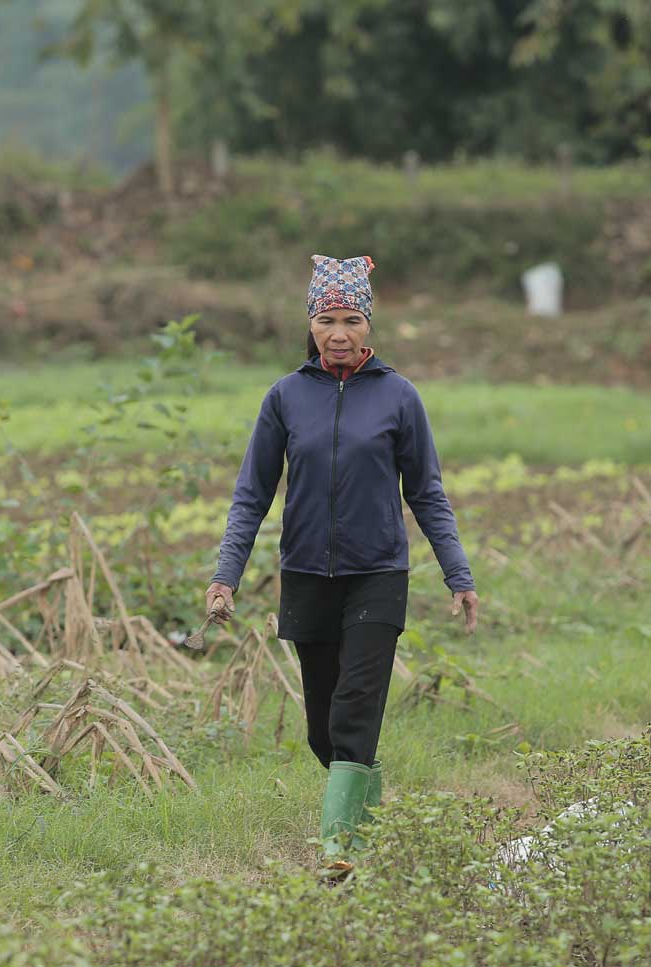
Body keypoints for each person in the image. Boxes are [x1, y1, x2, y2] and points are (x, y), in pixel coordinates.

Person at [204, 253, 480, 875]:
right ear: (310, 325)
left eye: (351, 319)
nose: (339, 332)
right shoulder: (284, 398)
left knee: (357, 707)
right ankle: (373, 820)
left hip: (378, 573)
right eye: (327, 319)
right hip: (306, 575)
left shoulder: (399, 397)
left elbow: (427, 493)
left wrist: (457, 574)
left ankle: (339, 851)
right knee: (323, 732)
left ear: (369, 326)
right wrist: (226, 575)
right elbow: (252, 493)